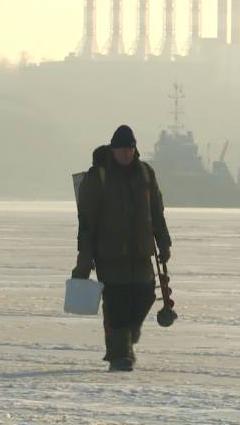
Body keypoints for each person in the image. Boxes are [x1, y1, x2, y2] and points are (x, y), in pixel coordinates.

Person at [72, 124, 172, 372]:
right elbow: (86, 222)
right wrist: (85, 259)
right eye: (121, 149)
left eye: (130, 149)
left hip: (140, 251)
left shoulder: (146, 173)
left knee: (144, 295)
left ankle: (126, 338)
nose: (126, 154)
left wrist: (164, 241)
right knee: (116, 303)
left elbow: (156, 212)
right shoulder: (99, 176)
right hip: (109, 253)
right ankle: (119, 355)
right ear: (113, 150)